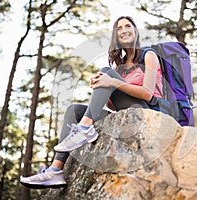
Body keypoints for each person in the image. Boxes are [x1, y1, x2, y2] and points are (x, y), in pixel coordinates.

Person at [20, 16, 163, 189]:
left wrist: (112, 82)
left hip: (147, 112)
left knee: (106, 73)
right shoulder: (119, 67)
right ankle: (55, 170)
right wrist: (102, 88)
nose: (124, 30)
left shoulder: (149, 55)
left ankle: (84, 128)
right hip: (125, 114)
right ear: (115, 36)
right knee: (74, 110)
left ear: (136, 31)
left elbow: (147, 94)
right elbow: (113, 106)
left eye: (128, 26)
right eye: (119, 28)